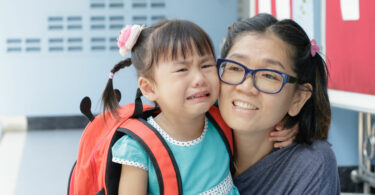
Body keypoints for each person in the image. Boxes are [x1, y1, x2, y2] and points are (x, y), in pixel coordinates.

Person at [102, 20, 241, 195]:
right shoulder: (138, 149)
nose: (199, 79)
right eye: (182, 70)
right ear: (149, 88)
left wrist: (285, 128)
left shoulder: (222, 115)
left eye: (206, 66)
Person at [217, 13, 340, 194]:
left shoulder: (310, 165)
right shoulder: (191, 137)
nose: (246, 86)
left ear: (298, 98)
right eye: (235, 68)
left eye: (269, 75)